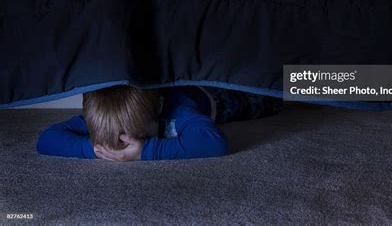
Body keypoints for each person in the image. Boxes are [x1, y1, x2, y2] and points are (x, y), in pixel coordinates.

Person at [36, 84, 283, 161]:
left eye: (139, 136)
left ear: (159, 111)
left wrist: (146, 151)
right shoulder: (109, 118)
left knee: (268, 99)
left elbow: (214, 144)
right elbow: (46, 139)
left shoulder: (179, 111)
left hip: (218, 98)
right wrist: (95, 149)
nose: (123, 143)